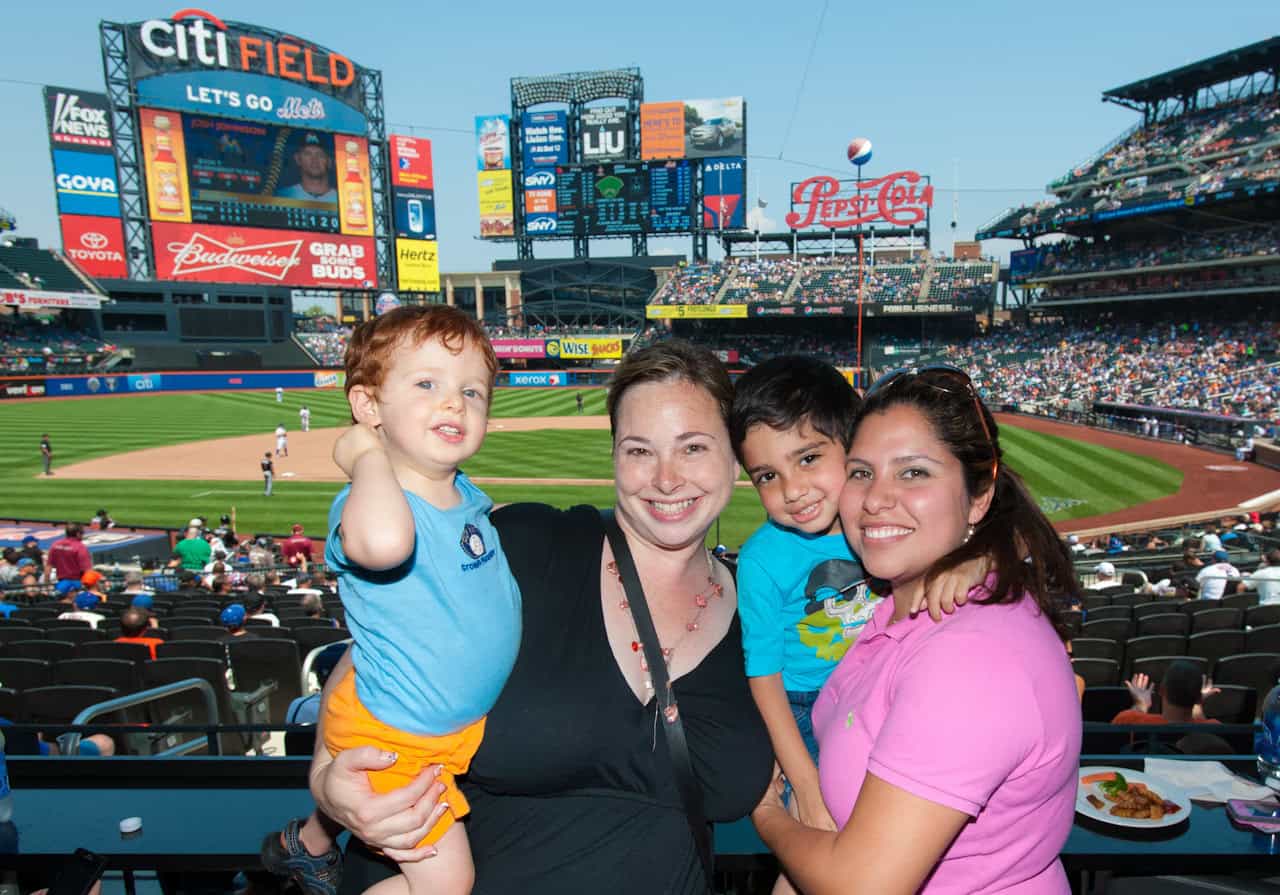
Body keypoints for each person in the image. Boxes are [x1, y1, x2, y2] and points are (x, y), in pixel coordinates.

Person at [284, 341, 775, 895]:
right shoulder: (520, 547)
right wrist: (327, 783)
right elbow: (370, 662)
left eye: (693, 448)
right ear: (614, 455)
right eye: (639, 450)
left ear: (734, 457)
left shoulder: (761, 614)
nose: (665, 478)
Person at [753, 366, 1082, 893]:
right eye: (861, 472)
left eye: (913, 473)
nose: (877, 498)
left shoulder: (974, 659)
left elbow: (860, 885)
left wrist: (769, 814)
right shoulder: (896, 602)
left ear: (979, 496)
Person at [728, 356, 986, 895]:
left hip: (875, 688)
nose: (793, 490)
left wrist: (976, 558)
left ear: (853, 447)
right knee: (820, 833)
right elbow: (764, 676)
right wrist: (802, 778)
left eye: (808, 458)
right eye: (768, 476)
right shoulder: (760, 560)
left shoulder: (874, 522)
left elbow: (958, 539)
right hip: (799, 705)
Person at [314, 305, 523, 895]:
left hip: (446, 738)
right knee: (447, 884)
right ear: (368, 406)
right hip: (393, 741)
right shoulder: (373, 500)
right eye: (427, 384)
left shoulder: (465, 495)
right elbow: (384, 543)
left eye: (473, 391)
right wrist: (365, 457)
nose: (455, 403)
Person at [1113, 662, 1220, 726]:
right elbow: (1204, 730)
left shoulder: (1127, 720)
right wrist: (1197, 704)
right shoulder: (1214, 728)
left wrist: (1140, 704)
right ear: (1199, 699)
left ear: (1161, 690)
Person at [276, 133, 338, 202]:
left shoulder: (342, 199)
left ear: (329, 161)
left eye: (320, 154)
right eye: (308, 154)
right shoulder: (284, 196)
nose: (314, 160)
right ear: (298, 159)